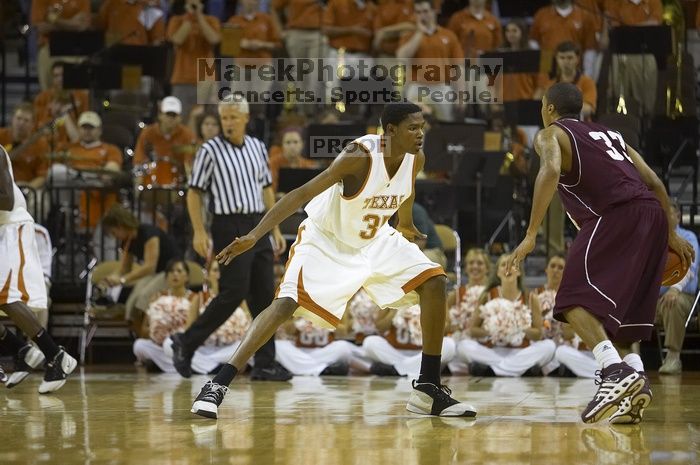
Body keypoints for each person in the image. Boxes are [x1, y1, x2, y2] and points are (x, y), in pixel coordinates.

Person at [190, 102, 477, 419]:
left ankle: (428, 387)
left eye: (422, 126)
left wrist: (405, 223)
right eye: (413, 127)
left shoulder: (416, 157)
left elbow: (405, 188)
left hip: (374, 238)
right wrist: (255, 235)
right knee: (285, 304)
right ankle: (218, 384)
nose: (420, 133)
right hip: (326, 239)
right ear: (390, 131)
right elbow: (300, 194)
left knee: (435, 281)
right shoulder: (359, 156)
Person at [506, 82, 695, 424]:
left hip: (615, 213)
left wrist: (531, 234)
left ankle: (612, 372)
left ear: (548, 108)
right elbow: (654, 182)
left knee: (571, 301)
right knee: (623, 321)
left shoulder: (550, 135)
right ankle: (634, 382)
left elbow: (549, 170)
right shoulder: (612, 136)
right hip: (651, 214)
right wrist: (669, 233)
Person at [169, 95, 290, 381]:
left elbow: (266, 189)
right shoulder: (209, 150)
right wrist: (200, 230)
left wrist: (273, 228)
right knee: (233, 292)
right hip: (229, 225)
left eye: (234, 117)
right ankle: (186, 342)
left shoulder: (259, 148)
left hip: (258, 223)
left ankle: (265, 363)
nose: (228, 123)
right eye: (224, 118)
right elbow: (195, 193)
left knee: (264, 296)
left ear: (246, 118)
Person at [0, 146, 77, 393]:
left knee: (5, 295)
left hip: (11, 227)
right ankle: (19, 350)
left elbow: (7, 200)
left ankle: (56, 356)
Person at [455, 254, 556, 377]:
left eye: (513, 265)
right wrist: (494, 330)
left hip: (521, 352)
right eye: (503, 265)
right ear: (498, 272)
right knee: (463, 346)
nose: (507, 268)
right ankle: (517, 369)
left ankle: (494, 370)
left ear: (519, 272)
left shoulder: (530, 298)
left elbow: (538, 334)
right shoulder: (487, 295)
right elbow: (473, 330)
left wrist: (518, 328)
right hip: (493, 351)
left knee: (549, 347)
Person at [101, 204, 182, 322]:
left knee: (144, 297)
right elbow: (124, 268)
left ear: (120, 226)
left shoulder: (149, 234)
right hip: (156, 274)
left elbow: (150, 267)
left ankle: (145, 329)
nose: (115, 237)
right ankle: (135, 331)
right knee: (132, 302)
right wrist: (113, 277)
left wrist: (123, 280)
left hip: (170, 271)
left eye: (114, 233)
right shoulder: (127, 242)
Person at [656, 201, 700, 375]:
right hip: (655, 299)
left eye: (669, 214)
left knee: (673, 303)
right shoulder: (655, 239)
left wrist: (675, 288)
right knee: (627, 306)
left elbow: (691, 266)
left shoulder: (687, 237)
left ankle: (673, 358)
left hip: (682, 296)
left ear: (678, 217)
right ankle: (631, 361)